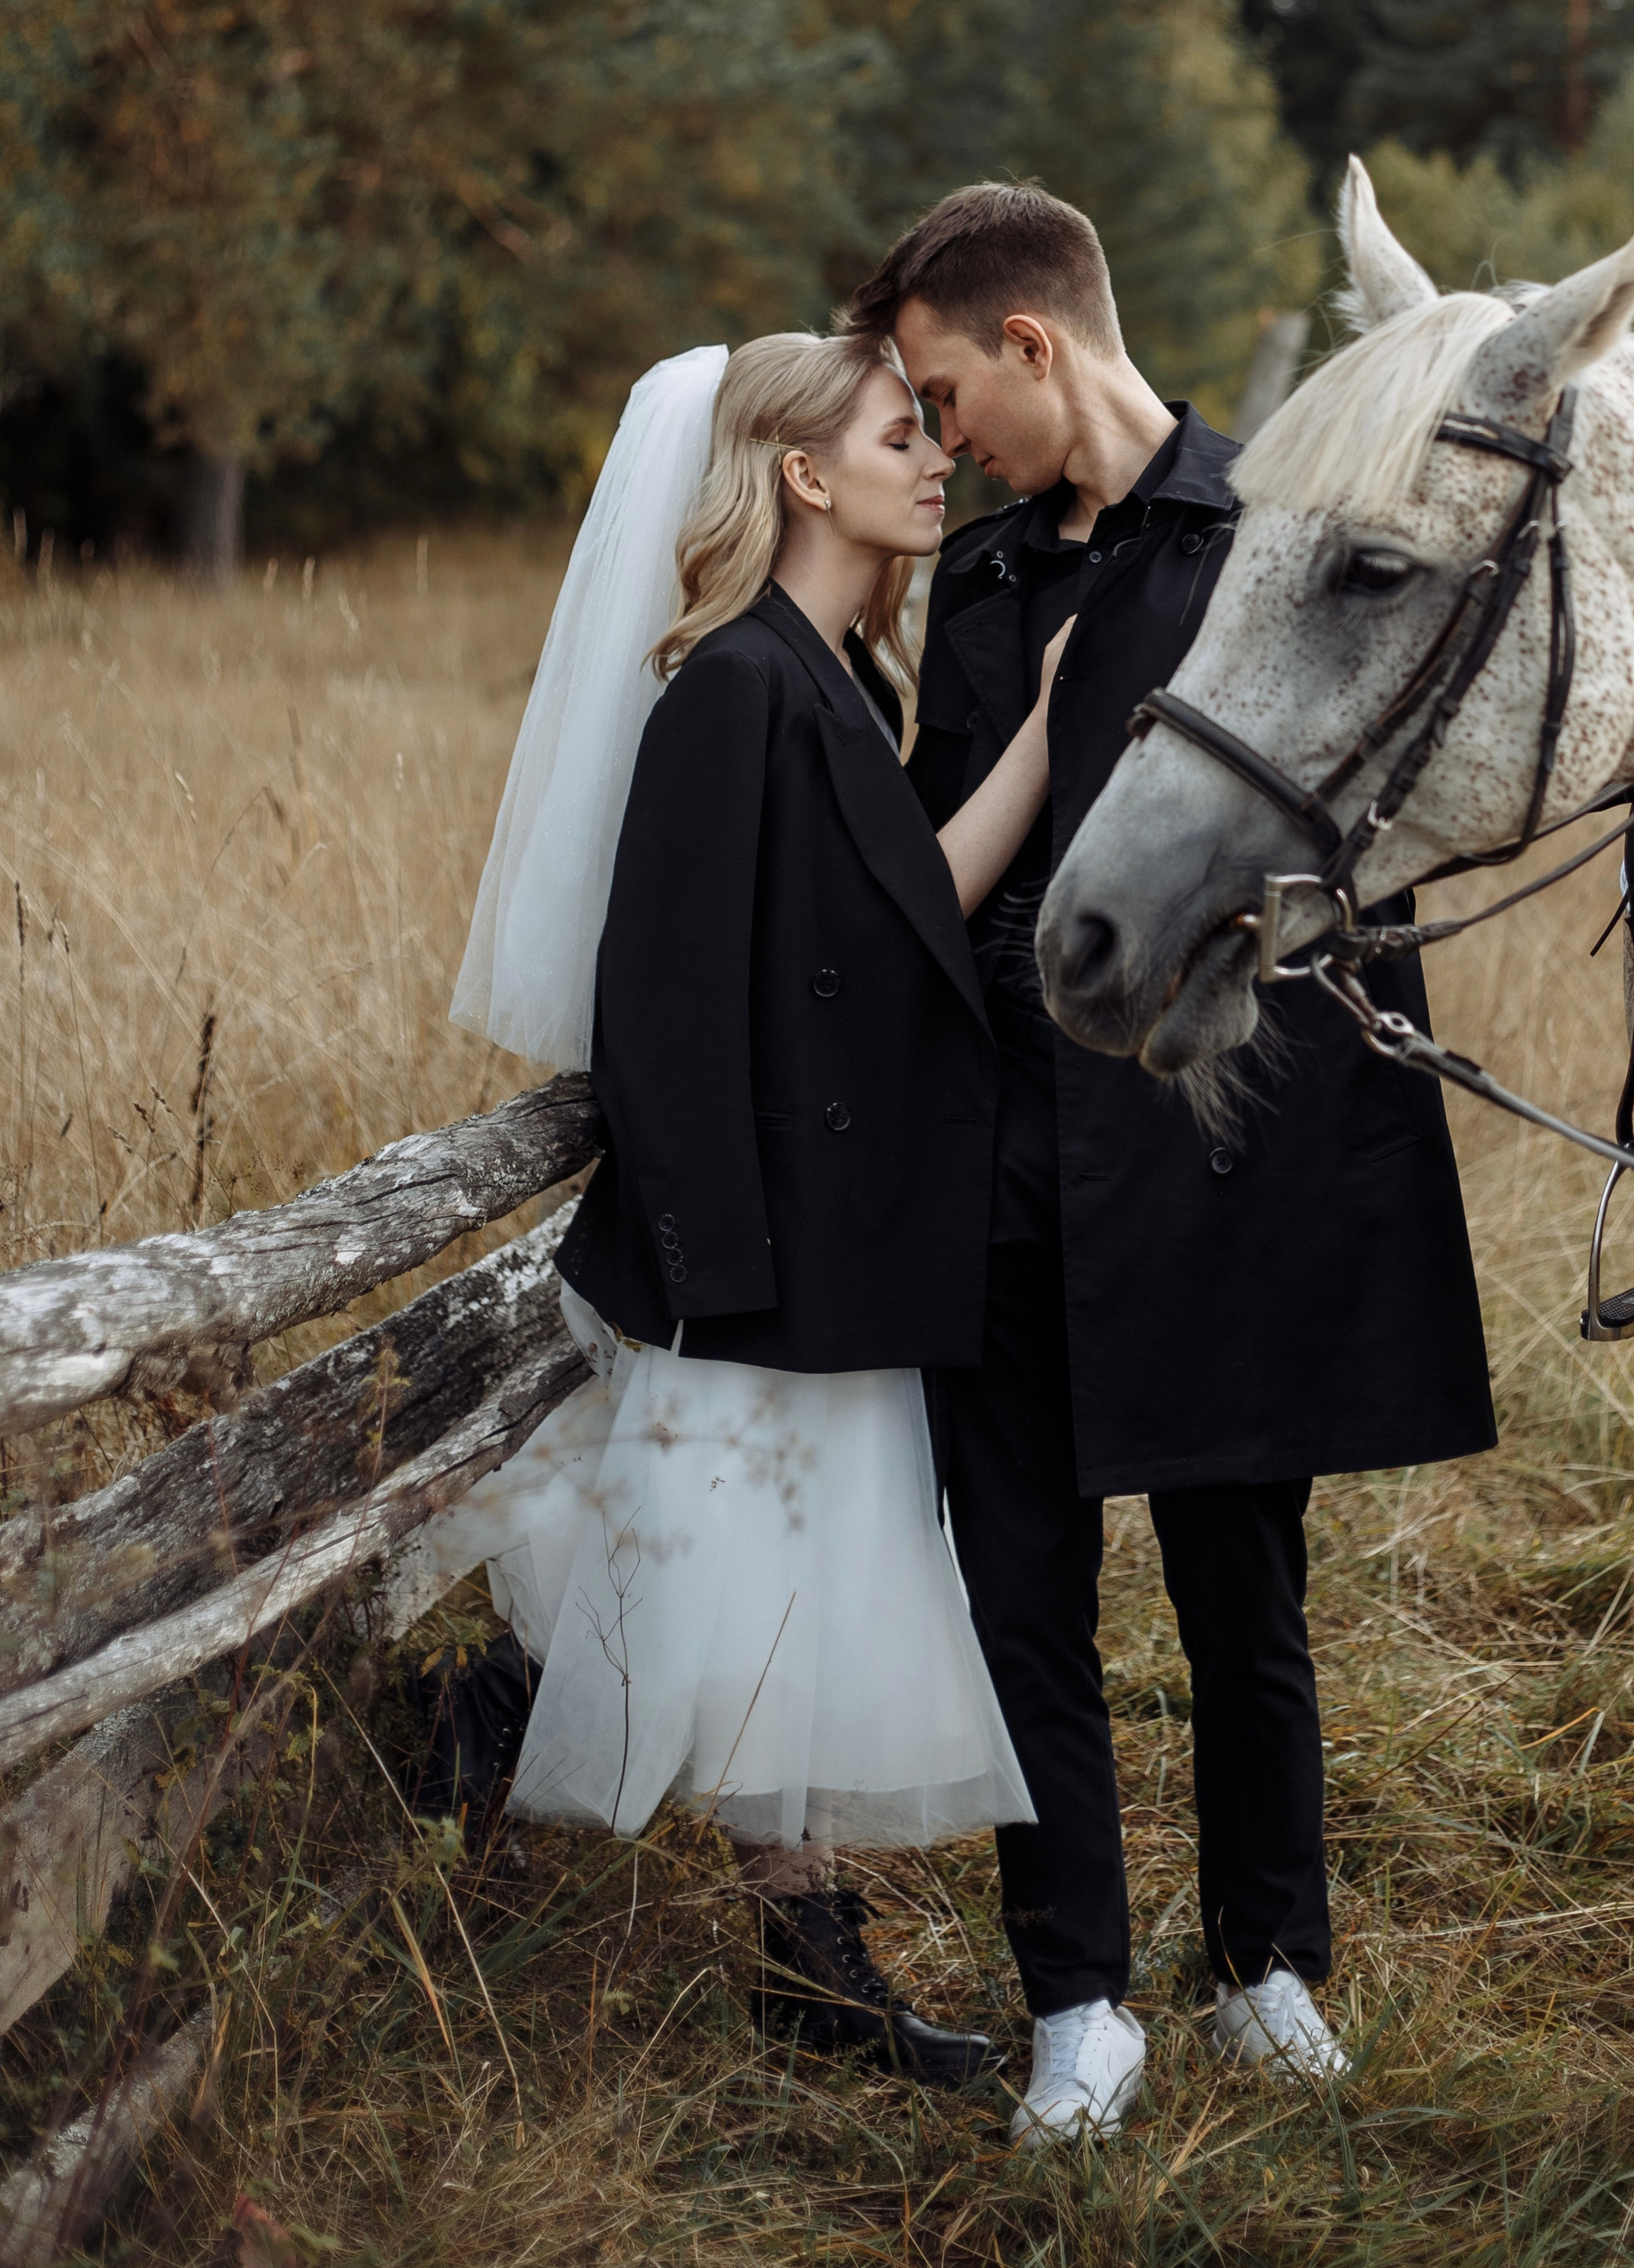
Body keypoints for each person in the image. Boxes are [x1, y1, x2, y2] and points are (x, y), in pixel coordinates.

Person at [838, 185, 1498, 2146]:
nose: (943, 442)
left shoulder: (1260, 547)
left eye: (950, 395)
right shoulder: (968, 590)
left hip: (1223, 1162)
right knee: (1022, 1587)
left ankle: (1265, 1963)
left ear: (1033, 344)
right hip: (1009, 1164)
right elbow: (936, 857)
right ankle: (1076, 2000)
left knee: (1240, 1583)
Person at [440, 332, 1064, 2087]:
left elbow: (905, 911)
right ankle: (777, 1939)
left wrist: (1032, 728)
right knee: (736, 1589)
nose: (934, 460)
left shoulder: (822, 677)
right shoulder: (730, 684)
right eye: (897, 434)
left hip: (836, 1244)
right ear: (801, 472)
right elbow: (662, 999)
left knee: (764, 1593)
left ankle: (787, 1946)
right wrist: (719, 1273)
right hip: (764, 1257)